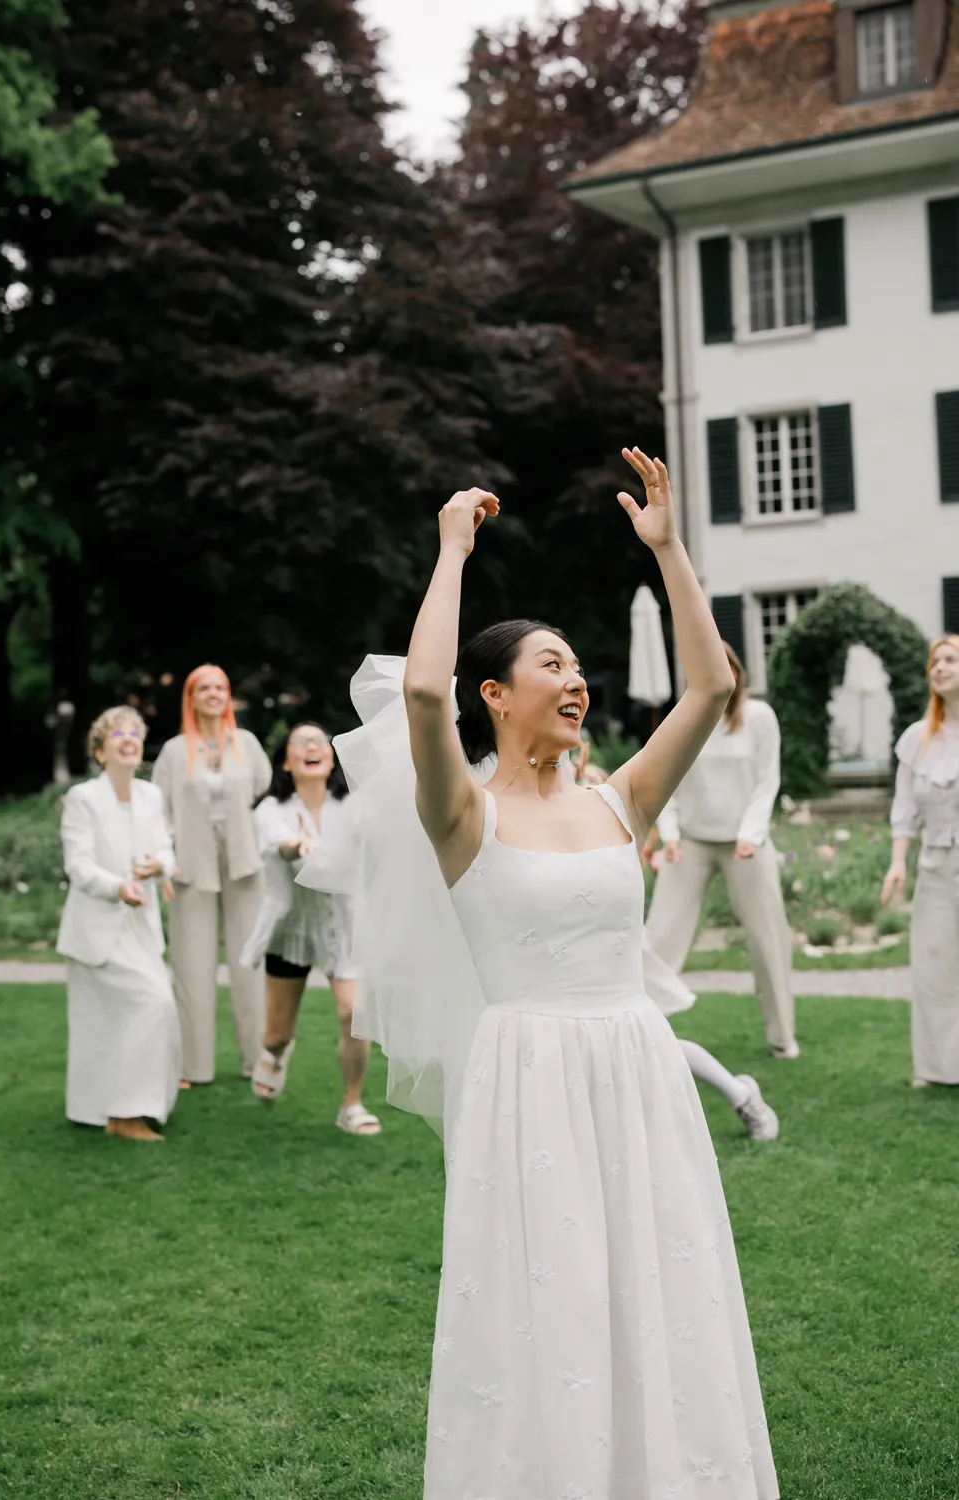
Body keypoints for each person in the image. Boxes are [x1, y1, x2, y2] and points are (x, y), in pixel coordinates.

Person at [335, 449, 778, 1497]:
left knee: (658, 1291)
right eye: (551, 665)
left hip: (635, 1068)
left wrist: (668, 551)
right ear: (497, 693)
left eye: (579, 665)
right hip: (527, 1080)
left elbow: (712, 684)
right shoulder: (463, 815)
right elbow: (423, 692)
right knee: (553, 1309)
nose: (576, 680)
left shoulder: (620, 799)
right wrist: (450, 550)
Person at [582, 759, 779, 1141]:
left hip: (612, 958)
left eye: (592, 781)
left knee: (654, 1046)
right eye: (580, 781)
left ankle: (740, 1094)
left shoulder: (616, 828)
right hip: (568, 969)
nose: (584, 786)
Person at [645, 643, 799, 1060]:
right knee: (657, 938)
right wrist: (671, 834)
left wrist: (751, 832)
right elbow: (665, 781)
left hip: (746, 844)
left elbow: (768, 780)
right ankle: (641, 1034)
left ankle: (783, 1037)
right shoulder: (684, 717)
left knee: (768, 938)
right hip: (691, 842)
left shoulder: (759, 717)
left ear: (735, 672)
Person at [240, 723, 380, 1134]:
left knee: (354, 1011)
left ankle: (351, 1104)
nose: (312, 747)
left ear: (332, 758)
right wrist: (296, 845)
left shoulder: (352, 806)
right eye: (300, 743)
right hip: (290, 928)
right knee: (277, 1033)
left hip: (344, 924)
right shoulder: (270, 811)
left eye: (320, 741)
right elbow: (278, 845)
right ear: (287, 761)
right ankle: (276, 1054)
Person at [57, 706, 180, 1142]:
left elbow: (168, 852)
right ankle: (123, 1114)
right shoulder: (83, 798)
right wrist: (118, 887)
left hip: (140, 928)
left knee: (154, 1007)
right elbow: (78, 864)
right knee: (143, 1007)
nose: (129, 738)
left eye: (135, 732)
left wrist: (157, 866)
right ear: (99, 751)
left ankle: (123, 1106)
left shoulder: (151, 796)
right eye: (118, 733)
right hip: (96, 926)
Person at [152, 665, 271, 1084]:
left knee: (249, 964)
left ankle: (257, 1060)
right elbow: (158, 812)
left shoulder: (248, 744)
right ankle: (193, 1067)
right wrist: (164, 862)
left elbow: (264, 798)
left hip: (244, 865)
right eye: (205, 688)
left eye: (220, 686)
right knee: (191, 966)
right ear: (191, 697)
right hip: (190, 867)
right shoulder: (173, 751)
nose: (214, 694)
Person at [882, 634, 959, 1088]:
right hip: (935, 866)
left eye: (951, 659)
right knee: (933, 967)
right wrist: (898, 863)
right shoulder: (917, 740)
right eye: (936, 661)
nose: (941, 667)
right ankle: (936, 1068)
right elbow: (904, 810)